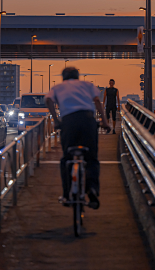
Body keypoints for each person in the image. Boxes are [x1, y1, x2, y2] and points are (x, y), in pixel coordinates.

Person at [45, 66, 110, 210]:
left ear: (63, 77)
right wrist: (104, 122)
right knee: (91, 158)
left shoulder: (58, 87)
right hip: (88, 120)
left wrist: (56, 120)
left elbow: (48, 100)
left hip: (69, 122)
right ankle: (92, 189)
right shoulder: (87, 85)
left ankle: (67, 194)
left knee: (67, 158)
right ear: (77, 76)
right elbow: (97, 102)